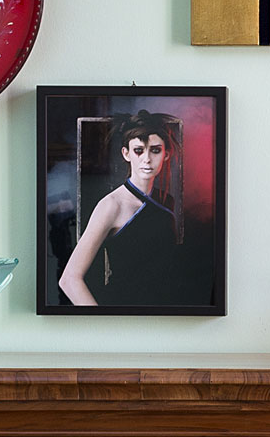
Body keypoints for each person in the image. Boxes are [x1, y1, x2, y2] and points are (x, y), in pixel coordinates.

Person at [58, 120, 183, 308]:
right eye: (139, 151)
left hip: (163, 312)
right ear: (126, 154)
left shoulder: (166, 200)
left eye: (155, 150)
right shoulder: (112, 205)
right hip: (123, 310)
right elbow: (69, 280)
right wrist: (103, 325)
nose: (147, 159)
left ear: (166, 154)